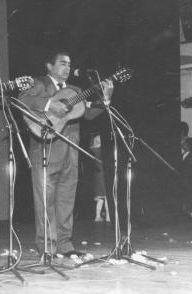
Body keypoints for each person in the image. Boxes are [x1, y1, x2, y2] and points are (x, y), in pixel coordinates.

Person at [18, 50, 113, 258]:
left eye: (69, 64)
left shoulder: (75, 90)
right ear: (49, 66)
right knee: (45, 200)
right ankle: (47, 246)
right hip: (45, 150)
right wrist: (50, 104)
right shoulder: (39, 83)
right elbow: (23, 100)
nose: (67, 68)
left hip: (71, 151)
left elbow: (86, 113)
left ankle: (65, 244)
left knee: (66, 200)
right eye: (62, 63)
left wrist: (105, 100)